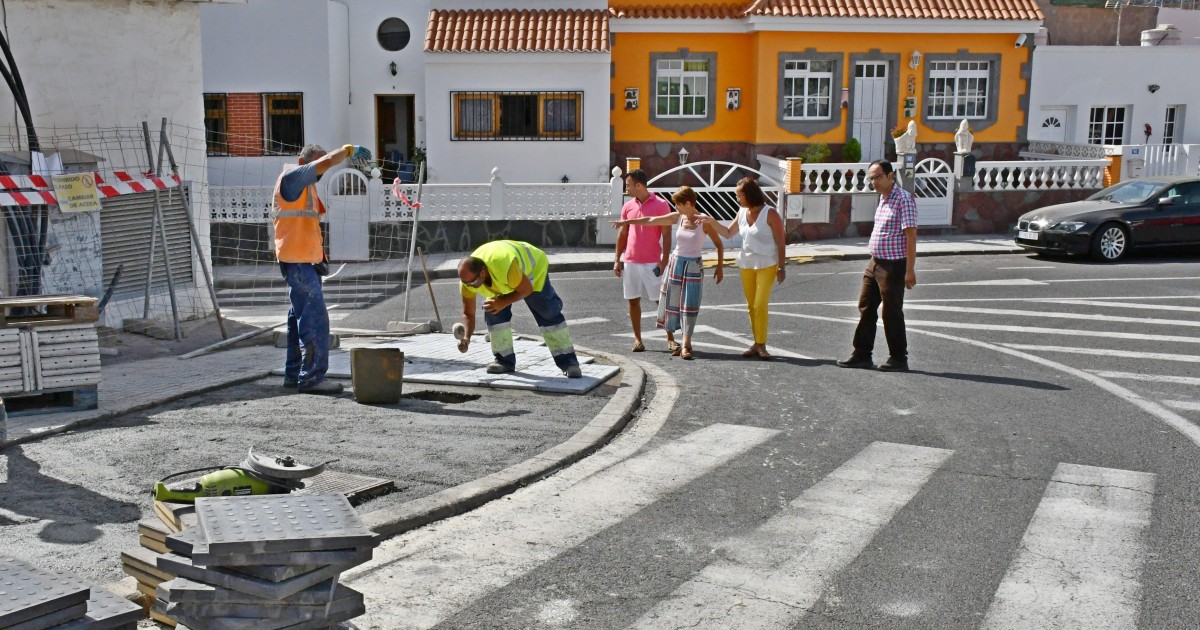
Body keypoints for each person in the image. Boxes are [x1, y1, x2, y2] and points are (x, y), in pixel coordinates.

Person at [275, 143, 371, 395]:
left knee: (298, 318)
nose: (321, 170)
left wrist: (319, 257)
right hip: (297, 261)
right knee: (315, 318)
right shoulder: (293, 177)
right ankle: (312, 378)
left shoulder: (305, 187)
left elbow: (307, 227)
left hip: (303, 260)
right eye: (316, 164)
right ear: (302, 162)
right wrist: (348, 150)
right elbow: (327, 161)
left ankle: (293, 373)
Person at [610, 186, 724, 360]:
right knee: (671, 304)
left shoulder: (704, 222)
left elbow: (719, 244)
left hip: (693, 266)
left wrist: (720, 266)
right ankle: (676, 340)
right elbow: (651, 220)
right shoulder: (678, 218)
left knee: (689, 306)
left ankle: (686, 345)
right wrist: (627, 222)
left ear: (688, 203)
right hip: (676, 263)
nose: (675, 208)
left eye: (677, 204)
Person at [457, 240, 582, 378]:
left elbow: (526, 289)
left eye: (472, 282)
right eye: (466, 283)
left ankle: (569, 363)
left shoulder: (504, 265)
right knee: (493, 311)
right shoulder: (468, 281)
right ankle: (504, 362)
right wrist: (467, 337)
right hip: (501, 279)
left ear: (482, 273)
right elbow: (468, 313)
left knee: (548, 311)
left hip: (530, 272)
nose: (471, 286)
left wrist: (503, 302)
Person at [837, 159, 918, 372]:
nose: (873, 181)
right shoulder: (883, 198)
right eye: (871, 178)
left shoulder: (903, 199)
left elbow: (911, 236)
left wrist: (910, 270)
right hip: (875, 262)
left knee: (891, 312)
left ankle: (899, 358)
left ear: (891, 176)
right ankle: (862, 354)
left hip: (893, 266)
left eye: (878, 177)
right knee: (866, 307)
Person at [703, 177, 786, 360]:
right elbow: (727, 233)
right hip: (746, 263)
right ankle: (757, 343)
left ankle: (761, 344)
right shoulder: (741, 212)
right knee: (750, 306)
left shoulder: (770, 213)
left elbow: (781, 243)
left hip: (768, 263)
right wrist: (710, 221)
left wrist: (782, 268)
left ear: (749, 195)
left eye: (739, 195)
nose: (737, 199)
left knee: (760, 304)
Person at [615, 169, 676, 354]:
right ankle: (638, 340)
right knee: (633, 301)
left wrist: (664, 260)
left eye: (628, 185)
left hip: (652, 262)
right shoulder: (628, 207)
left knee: (660, 302)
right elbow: (623, 233)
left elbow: (666, 235)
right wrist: (617, 259)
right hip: (631, 261)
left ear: (638, 185)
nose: (626, 188)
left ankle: (671, 339)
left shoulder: (661, 205)